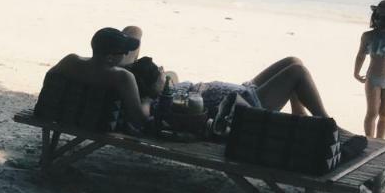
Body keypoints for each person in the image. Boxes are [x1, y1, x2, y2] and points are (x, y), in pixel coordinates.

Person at [130, 28, 334, 121]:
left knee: (292, 61)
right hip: (244, 107)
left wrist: (161, 76)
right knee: (297, 72)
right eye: (158, 73)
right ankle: (326, 123)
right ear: (149, 87)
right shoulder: (154, 103)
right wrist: (144, 92)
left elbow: (170, 74)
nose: (162, 71)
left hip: (244, 90)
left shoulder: (168, 86)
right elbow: (142, 114)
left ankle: (300, 116)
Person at [355, 0, 385, 139]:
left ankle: (380, 140)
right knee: (372, 112)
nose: (380, 21)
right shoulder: (368, 36)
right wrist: (356, 72)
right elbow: (361, 55)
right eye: (378, 17)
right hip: (373, 79)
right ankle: (370, 139)